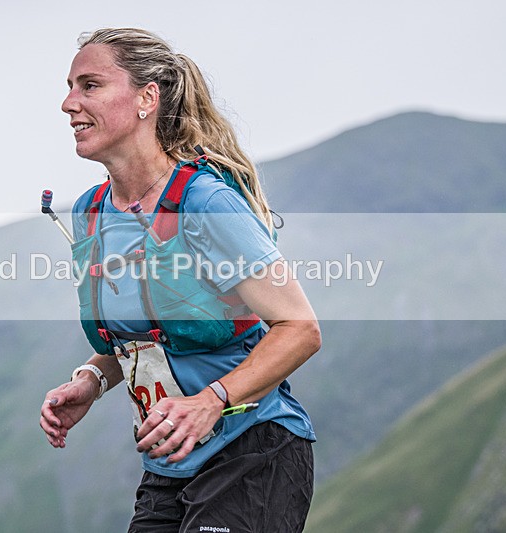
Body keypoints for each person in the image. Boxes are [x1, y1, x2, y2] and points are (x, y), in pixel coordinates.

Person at [39, 28, 321, 533]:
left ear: (147, 98)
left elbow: (300, 329)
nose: (68, 103)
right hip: (169, 462)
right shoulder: (90, 211)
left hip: (251, 450)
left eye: (90, 85)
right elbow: (147, 331)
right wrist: (92, 379)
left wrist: (210, 401)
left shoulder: (205, 202)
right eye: (70, 86)